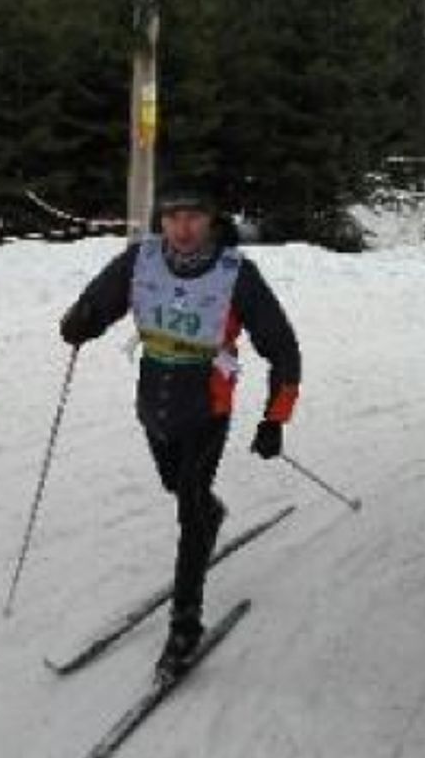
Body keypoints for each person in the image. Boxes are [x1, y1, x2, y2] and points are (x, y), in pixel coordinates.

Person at [59, 183, 301, 680]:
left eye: (194, 217)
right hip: (154, 405)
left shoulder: (237, 274)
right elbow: (98, 305)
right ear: (160, 222)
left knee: (188, 507)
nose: (183, 228)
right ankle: (209, 512)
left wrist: (275, 418)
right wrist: (80, 321)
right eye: (172, 218)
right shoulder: (140, 261)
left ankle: (184, 626)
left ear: (212, 221)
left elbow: (283, 349)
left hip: (207, 406)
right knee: (180, 489)